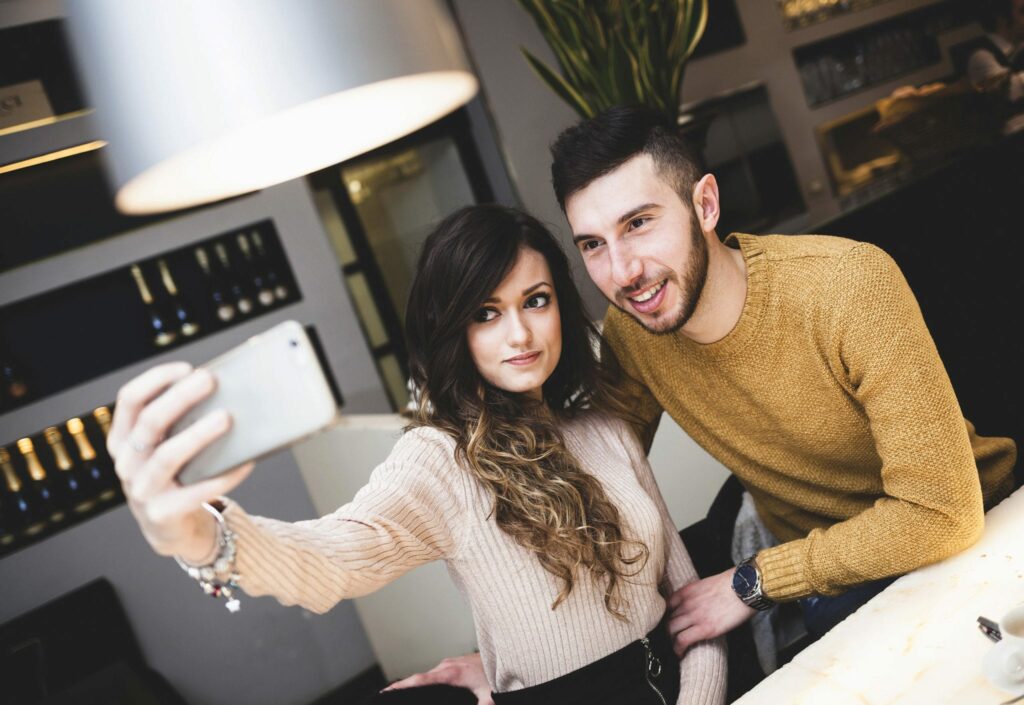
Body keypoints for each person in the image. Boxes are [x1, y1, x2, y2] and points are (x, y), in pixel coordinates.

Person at [389, 105, 1018, 698]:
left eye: (638, 223)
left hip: (988, 533)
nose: (623, 271)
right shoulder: (633, 335)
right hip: (836, 581)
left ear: (705, 204)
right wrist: (520, 670)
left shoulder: (846, 284)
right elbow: (589, 480)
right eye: (593, 244)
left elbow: (941, 512)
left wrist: (752, 583)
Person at [106, 204, 727, 705]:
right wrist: (200, 536)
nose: (520, 334)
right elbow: (332, 558)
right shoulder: (439, 460)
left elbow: (690, 607)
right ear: (452, 328)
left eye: (535, 300)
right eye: (487, 313)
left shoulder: (605, 429)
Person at [965, 0, 1024, 106]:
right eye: (1022, 11)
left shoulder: (1020, 47)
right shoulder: (980, 57)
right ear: (1002, 19)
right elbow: (1009, 91)